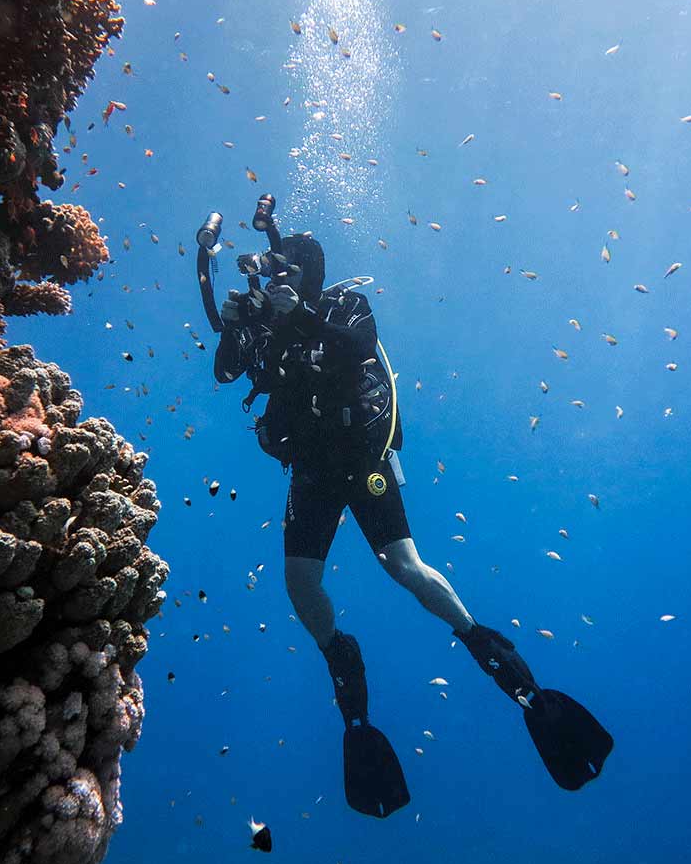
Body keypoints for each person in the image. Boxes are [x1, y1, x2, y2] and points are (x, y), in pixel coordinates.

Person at [212, 230, 613, 818]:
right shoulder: (268, 321)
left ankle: (503, 666)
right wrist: (232, 324)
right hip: (313, 473)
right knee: (300, 582)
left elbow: (356, 347)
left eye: (289, 271)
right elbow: (227, 373)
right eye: (275, 273)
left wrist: (300, 316)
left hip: (362, 460)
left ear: (310, 274)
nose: (279, 281)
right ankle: (342, 668)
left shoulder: (344, 305)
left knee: (404, 565)